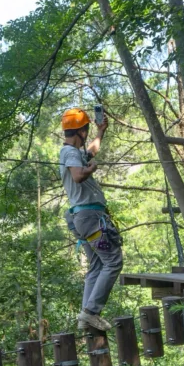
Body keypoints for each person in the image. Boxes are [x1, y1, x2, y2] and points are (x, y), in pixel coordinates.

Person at [59, 107, 124, 332]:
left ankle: (85, 315)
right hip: (91, 217)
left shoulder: (74, 153)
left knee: (96, 264)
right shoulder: (69, 154)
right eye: (87, 129)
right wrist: (91, 170)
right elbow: (78, 176)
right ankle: (91, 312)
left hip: (83, 218)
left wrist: (101, 132)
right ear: (81, 131)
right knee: (113, 261)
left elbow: (91, 152)